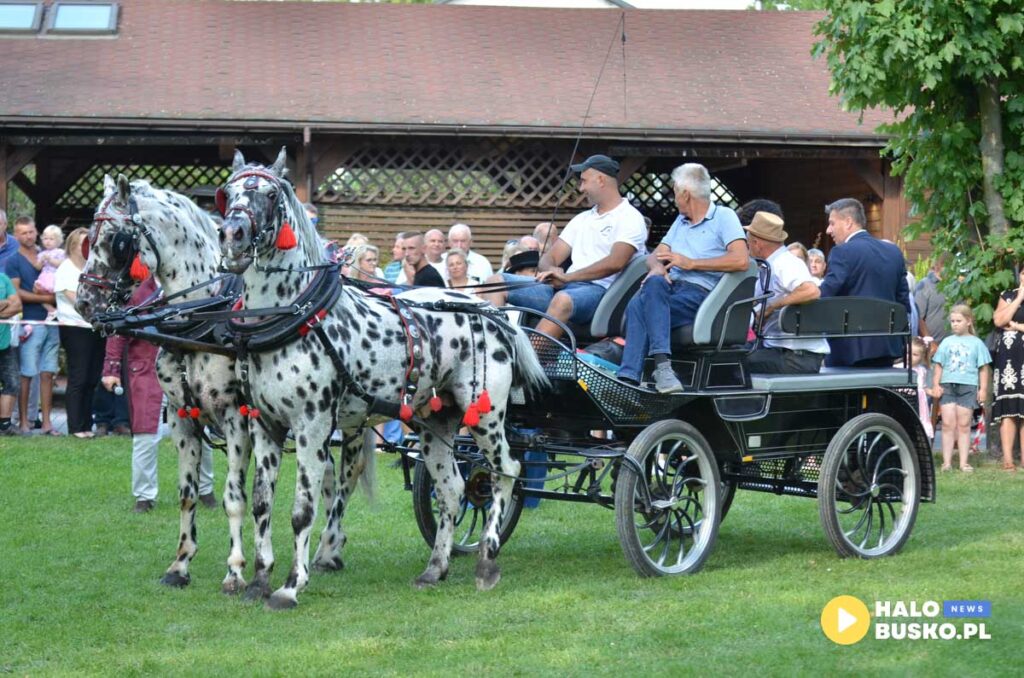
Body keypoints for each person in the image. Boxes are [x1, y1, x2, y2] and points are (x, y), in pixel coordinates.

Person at [480, 154, 647, 339]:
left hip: (600, 294)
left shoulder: (630, 217)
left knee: (562, 300)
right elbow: (549, 258)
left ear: (601, 180)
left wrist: (568, 277)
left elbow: (615, 262)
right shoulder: (582, 219)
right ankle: (498, 346)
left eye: (584, 181)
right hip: (566, 288)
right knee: (494, 282)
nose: (581, 188)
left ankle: (527, 357)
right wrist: (552, 271)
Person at [618, 163, 748, 391]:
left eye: (675, 191)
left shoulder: (724, 217)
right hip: (668, 290)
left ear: (685, 194)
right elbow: (655, 255)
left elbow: (741, 260)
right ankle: (662, 370)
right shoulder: (680, 221)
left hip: (702, 295)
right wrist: (657, 268)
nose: (674, 198)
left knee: (637, 306)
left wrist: (691, 263)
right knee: (653, 284)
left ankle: (629, 378)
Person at [102, 277, 216, 512]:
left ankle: (205, 489)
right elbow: (118, 330)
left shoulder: (193, 284)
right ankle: (144, 497)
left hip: (186, 370)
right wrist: (111, 368)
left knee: (200, 430)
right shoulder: (139, 293)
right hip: (147, 370)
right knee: (145, 435)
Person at [818, 198, 911, 367]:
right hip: (888, 348)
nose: (828, 230)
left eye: (832, 223)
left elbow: (826, 295)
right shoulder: (893, 252)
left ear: (848, 222)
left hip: (848, 350)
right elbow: (903, 302)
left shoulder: (842, 252)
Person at [744, 212, 828, 374]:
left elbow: (811, 291)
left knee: (732, 365)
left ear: (757, 243)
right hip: (783, 352)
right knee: (734, 356)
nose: (747, 247)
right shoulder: (770, 265)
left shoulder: (785, 262)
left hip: (796, 357)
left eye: (748, 242)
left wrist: (771, 307)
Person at [4, 217, 59, 435]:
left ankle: (47, 423)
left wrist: (55, 297)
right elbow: (17, 292)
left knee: (48, 372)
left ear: (36, 231)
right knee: (26, 372)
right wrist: (48, 298)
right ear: (16, 235)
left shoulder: (49, 254)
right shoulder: (13, 261)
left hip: (53, 320)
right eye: (23, 233)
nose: (28, 236)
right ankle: (24, 421)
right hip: (29, 322)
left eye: (31, 231)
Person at [54, 228, 104, 438]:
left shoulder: (94, 268)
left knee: (92, 377)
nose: (88, 247)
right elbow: (78, 301)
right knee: (79, 376)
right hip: (75, 328)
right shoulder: (65, 269)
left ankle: (87, 424)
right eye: (84, 243)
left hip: (95, 328)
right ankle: (75, 426)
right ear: (73, 246)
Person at [931, 304, 991, 473]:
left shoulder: (977, 343)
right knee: (947, 424)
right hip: (948, 386)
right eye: (952, 321)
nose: (955, 324)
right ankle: (946, 462)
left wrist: (983, 389)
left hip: (968, 386)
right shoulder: (946, 342)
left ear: (968, 321)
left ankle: (964, 462)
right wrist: (936, 384)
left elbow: (983, 368)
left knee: (964, 425)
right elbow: (939, 365)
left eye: (959, 321)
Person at [991, 268, 1024, 472]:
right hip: (1009, 360)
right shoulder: (1008, 295)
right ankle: (1008, 460)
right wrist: (1019, 298)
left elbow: (1009, 323)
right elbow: (999, 321)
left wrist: (1017, 327)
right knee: (1009, 408)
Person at [0, 269, 22, 435]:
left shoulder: (3, 278)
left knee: (12, 382)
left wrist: (8, 303)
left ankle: (5, 425)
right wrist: (5, 302)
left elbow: (17, 305)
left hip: (5, 343)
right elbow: (11, 304)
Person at [34, 225, 66, 320]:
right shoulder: (41, 253)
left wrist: (50, 260)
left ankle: (61, 310)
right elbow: (37, 267)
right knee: (36, 292)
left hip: (54, 277)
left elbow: (61, 264)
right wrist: (41, 261)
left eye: (51, 239)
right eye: (45, 239)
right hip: (44, 277)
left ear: (58, 241)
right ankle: (51, 310)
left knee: (57, 295)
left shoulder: (60, 252)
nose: (48, 241)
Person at [915, 256, 947, 348]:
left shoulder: (956, 285)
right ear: (937, 266)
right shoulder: (924, 285)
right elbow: (918, 317)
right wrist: (930, 341)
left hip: (954, 344)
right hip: (933, 346)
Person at [910, 336, 935, 441]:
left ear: (922, 357)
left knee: (919, 424)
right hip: (908, 400)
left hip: (919, 403)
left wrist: (931, 392)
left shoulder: (922, 370)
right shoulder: (900, 367)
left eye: (915, 354)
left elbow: (923, 387)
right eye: (908, 352)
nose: (910, 357)